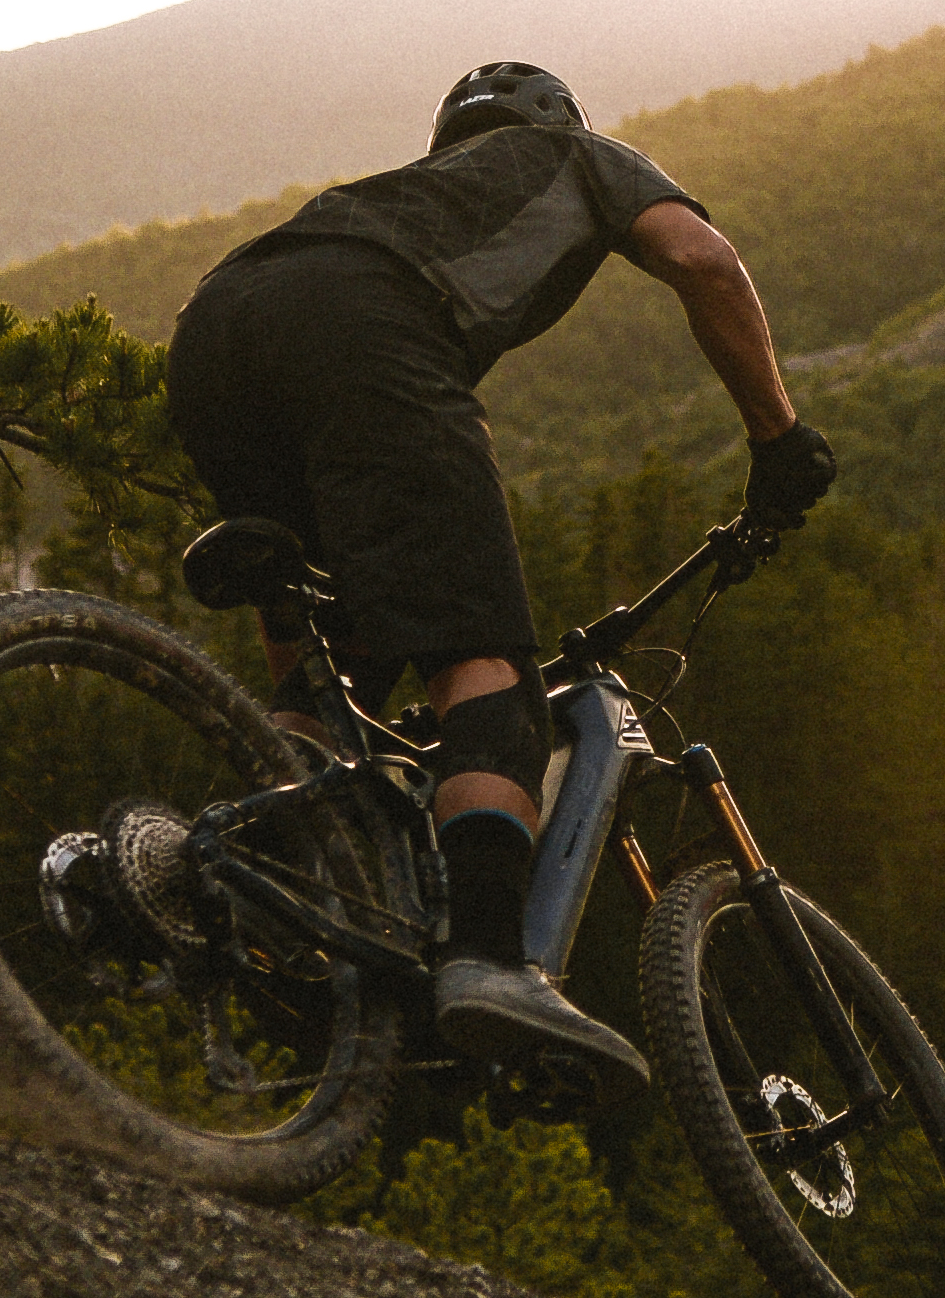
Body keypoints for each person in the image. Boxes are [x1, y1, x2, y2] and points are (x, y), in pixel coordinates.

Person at [162, 60, 836, 1084]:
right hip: (364, 323)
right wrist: (778, 440)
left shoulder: (400, 193)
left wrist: (302, 654)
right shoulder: (576, 152)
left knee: (317, 678)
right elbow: (701, 258)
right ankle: (486, 958)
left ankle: (223, 890)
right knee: (484, 673)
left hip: (213, 327)